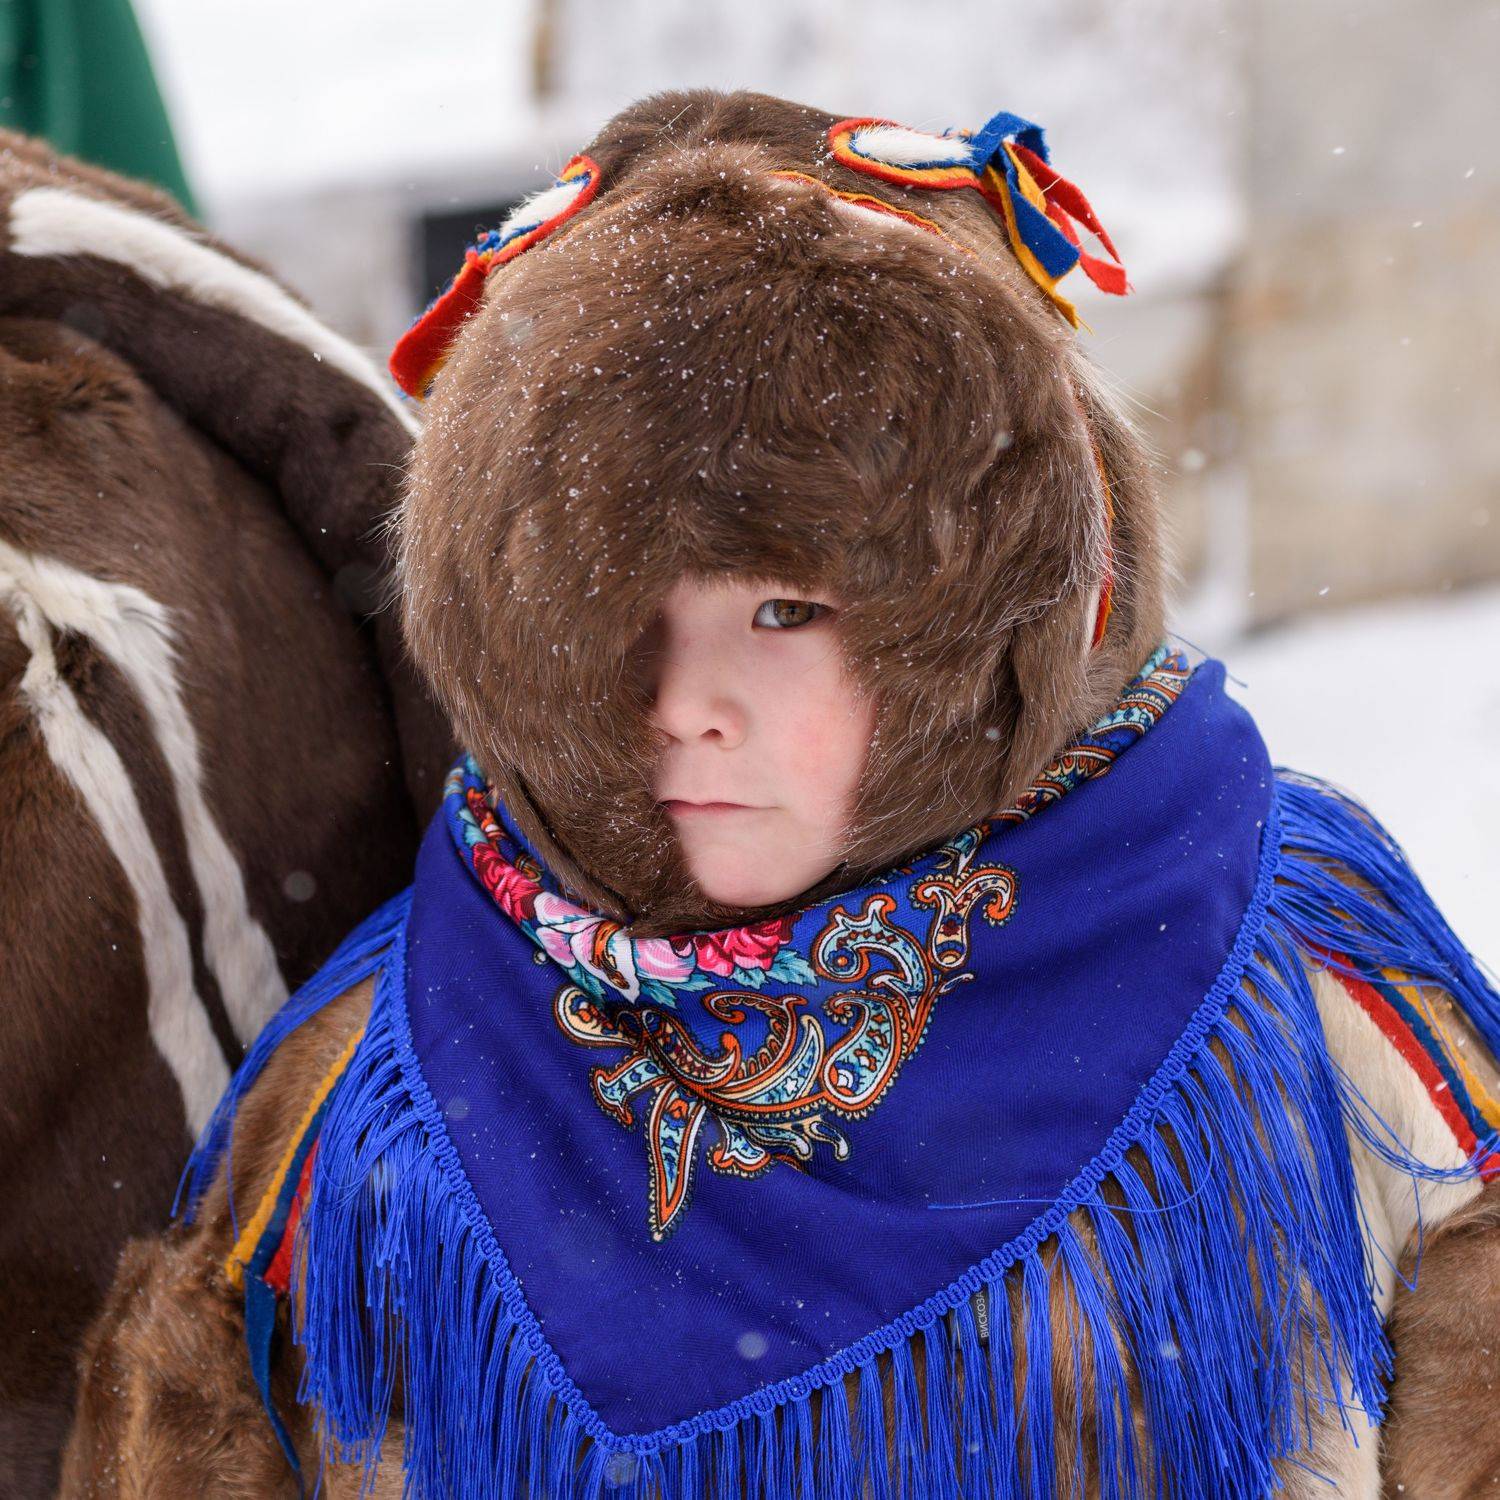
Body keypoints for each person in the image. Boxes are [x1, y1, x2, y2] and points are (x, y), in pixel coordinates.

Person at [59, 87, 1500, 1500]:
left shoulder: (1282, 966)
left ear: (988, 610)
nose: (687, 704)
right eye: (623, 620)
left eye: (785, 613)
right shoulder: (387, 1080)